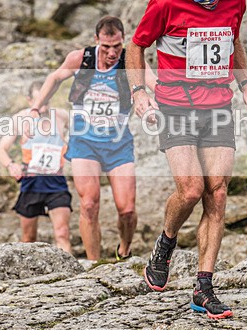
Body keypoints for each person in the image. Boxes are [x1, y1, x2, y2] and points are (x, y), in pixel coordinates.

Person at [126, 0, 247, 319]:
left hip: (219, 106)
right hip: (175, 106)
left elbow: (234, 41)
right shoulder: (164, 3)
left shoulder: (236, 0)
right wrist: (139, 92)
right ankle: (166, 243)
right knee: (191, 189)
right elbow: (136, 46)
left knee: (217, 192)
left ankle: (204, 286)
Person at [30, 16, 157, 262]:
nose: (112, 52)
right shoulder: (81, 58)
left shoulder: (131, 59)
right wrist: (37, 106)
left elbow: (154, 84)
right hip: (84, 142)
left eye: (117, 46)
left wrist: (158, 106)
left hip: (118, 144)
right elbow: (54, 79)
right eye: (106, 46)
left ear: (123, 40)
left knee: (127, 210)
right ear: (96, 40)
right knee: (89, 204)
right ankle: (94, 263)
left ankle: (124, 250)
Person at [0, 82, 73, 253]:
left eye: (47, 101)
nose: (44, 107)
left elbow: (81, 136)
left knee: (62, 233)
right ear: (30, 101)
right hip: (31, 184)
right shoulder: (20, 119)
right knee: (29, 239)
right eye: (40, 101)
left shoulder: (61, 116)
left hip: (56, 183)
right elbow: (0, 151)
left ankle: (76, 277)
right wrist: (10, 165)